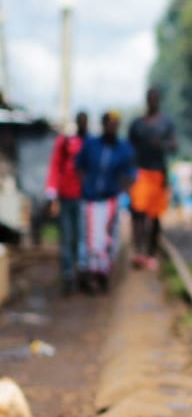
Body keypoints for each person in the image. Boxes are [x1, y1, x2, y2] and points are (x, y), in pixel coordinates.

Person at [75, 111, 136, 292]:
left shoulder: (123, 148)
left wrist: (121, 192)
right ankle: (91, 274)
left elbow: (131, 173)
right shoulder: (91, 144)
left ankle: (104, 273)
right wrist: (86, 185)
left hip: (110, 199)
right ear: (103, 124)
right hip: (91, 199)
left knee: (109, 238)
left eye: (114, 123)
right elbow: (79, 166)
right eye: (108, 123)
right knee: (91, 239)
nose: (111, 126)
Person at [127, 87, 178, 270]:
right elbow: (128, 149)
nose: (152, 102)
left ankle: (151, 253)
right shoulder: (137, 124)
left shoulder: (166, 124)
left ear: (159, 101)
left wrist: (162, 144)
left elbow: (174, 146)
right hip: (140, 173)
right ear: (146, 100)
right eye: (150, 99)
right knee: (138, 214)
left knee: (154, 216)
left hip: (158, 174)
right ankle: (138, 251)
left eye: (155, 99)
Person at [44, 111, 89, 294]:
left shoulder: (88, 144)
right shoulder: (64, 143)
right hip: (66, 197)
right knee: (67, 238)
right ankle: (69, 275)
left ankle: (81, 271)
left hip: (82, 198)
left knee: (81, 238)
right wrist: (53, 196)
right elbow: (55, 167)